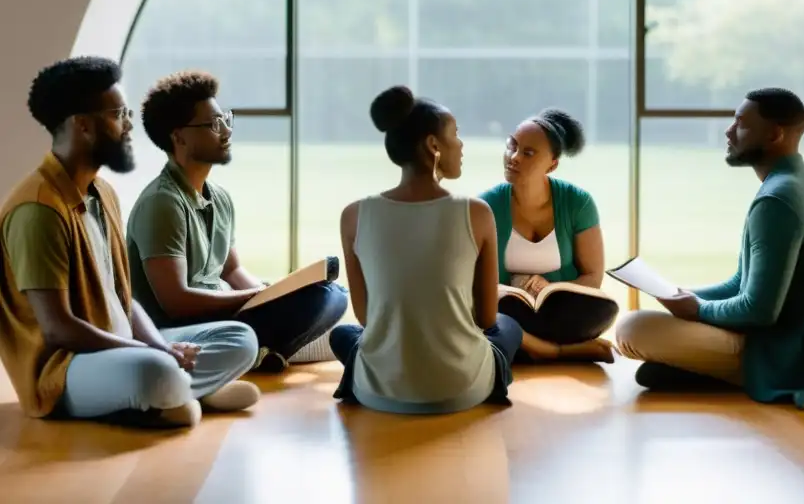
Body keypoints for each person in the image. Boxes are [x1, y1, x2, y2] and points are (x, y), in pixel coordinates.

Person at [0, 57, 260, 428]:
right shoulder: (38, 209)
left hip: (121, 347)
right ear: (84, 125)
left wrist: (162, 346)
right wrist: (154, 352)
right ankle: (175, 389)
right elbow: (58, 329)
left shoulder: (103, 193)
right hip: (66, 368)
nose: (128, 126)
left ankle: (175, 393)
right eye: (119, 114)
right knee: (154, 370)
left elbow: (124, 299)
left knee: (240, 338)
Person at [616, 88, 804, 408]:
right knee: (651, 333)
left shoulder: (777, 200)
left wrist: (696, 310)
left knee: (632, 328)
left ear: (774, 134)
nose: (729, 130)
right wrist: (685, 295)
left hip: (796, 354)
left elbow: (759, 311)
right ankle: (699, 368)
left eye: (741, 123)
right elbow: (742, 283)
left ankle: (733, 373)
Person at [125, 70, 349, 372]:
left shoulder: (219, 198)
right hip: (179, 329)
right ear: (179, 137)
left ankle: (266, 353)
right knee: (321, 300)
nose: (226, 131)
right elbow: (175, 302)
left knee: (334, 294)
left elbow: (232, 269)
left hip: (220, 313)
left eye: (226, 119)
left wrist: (273, 293)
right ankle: (260, 352)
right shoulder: (161, 203)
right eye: (214, 124)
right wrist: (256, 297)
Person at [329, 86, 523, 414]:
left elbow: (365, 317)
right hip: (462, 389)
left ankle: (367, 377)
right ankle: (486, 378)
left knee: (344, 335)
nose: (461, 145)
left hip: (378, 391)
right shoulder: (476, 213)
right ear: (433, 145)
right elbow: (487, 318)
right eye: (455, 134)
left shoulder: (353, 215)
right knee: (509, 327)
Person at [479, 109, 618, 363]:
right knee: (490, 316)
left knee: (602, 310)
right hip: (507, 312)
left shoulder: (578, 202)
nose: (514, 157)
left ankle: (524, 348)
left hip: (558, 313)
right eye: (512, 146)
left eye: (528, 153)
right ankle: (558, 350)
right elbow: (476, 284)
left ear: (552, 164)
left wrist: (550, 288)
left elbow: (592, 276)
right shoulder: (486, 206)